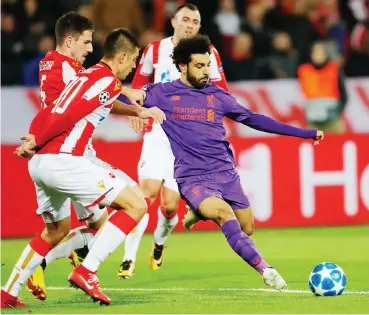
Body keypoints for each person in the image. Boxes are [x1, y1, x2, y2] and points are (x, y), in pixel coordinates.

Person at [138, 34, 323, 293]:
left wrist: (304, 133)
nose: (206, 72)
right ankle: (266, 269)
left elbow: (255, 119)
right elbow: (125, 95)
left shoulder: (218, 96)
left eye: (208, 65)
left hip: (225, 174)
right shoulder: (163, 94)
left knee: (247, 227)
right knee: (225, 214)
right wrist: (139, 111)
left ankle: (199, 212)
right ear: (182, 66)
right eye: (199, 66)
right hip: (192, 177)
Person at [1, 28, 165, 308]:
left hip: (41, 162)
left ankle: (8, 292)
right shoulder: (107, 81)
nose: (134, 67)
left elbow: (56, 109)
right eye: (134, 60)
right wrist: (38, 139)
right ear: (122, 56)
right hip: (66, 160)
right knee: (137, 205)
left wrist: (34, 141)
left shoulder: (86, 76)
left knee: (56, 230)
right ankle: (87, 271)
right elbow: (68, 114)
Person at [118, 3, 228, 279]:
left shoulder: (208, 54)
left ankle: (159, 243)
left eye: (195, 21)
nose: (190, 25)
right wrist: (137, 112)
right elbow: (139, 86)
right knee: (147, 193)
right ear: (174, 21)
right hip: (158, 131)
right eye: (186, 19)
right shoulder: (154, 51)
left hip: (187, 140)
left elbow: (222, 91)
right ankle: (127, 259)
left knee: (169, 206)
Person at [298, 42, 348, 133]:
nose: (318, 56)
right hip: (312, 116)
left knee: (336, 143)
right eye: (316, 53)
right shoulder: (304, 70)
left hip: (332, 116)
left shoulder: (334, 68)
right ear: (311, 55)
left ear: (325, 55)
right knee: (314, 144)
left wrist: (339, 111)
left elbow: (343, 92)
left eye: (321, 53)